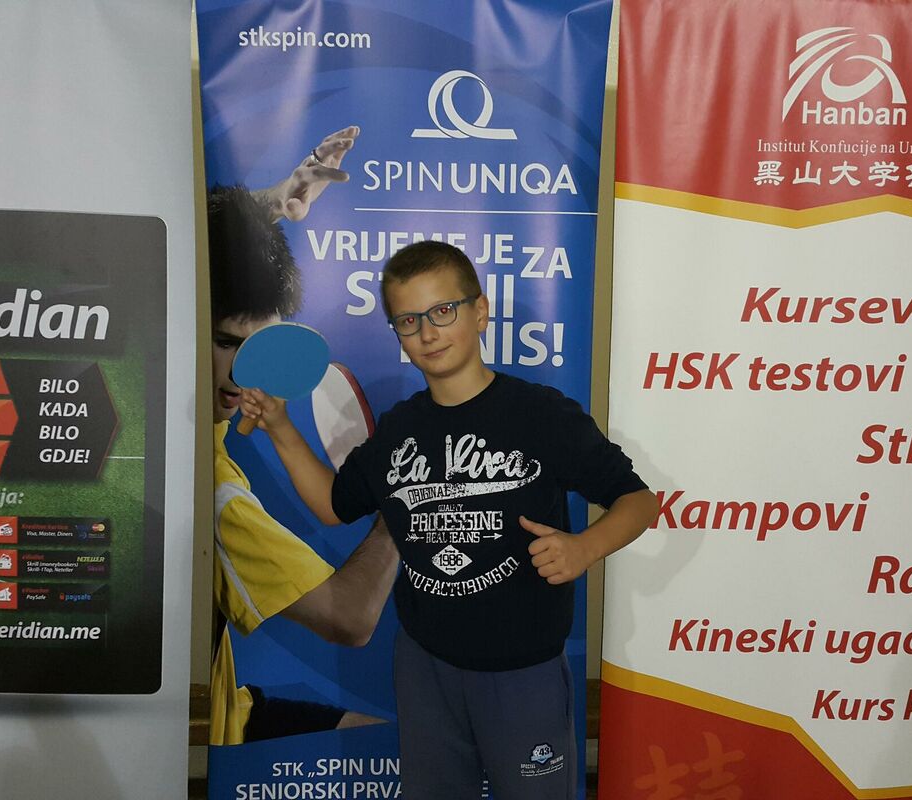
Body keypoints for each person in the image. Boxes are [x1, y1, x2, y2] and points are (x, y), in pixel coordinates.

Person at [241, 240, 659, 798]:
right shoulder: (399, 430)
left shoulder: (540, 415)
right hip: (426, 667)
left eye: (443, 311)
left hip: (523, 671)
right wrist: (280, 427)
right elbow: (334, 506)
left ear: (480, 312)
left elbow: (638, 500)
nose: (428, 333)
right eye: (408, 320)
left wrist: (585, 547)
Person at [208, 126, 400, 746]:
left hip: (238, 702)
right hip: (215, 734)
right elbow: (350, 617)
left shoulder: (200, 436)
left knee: (382, 742)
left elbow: (189, 249)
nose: (241, 373)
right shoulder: (214, 496)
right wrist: (405, 506)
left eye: (257, 348)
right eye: (225, 344)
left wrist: (272, 202)